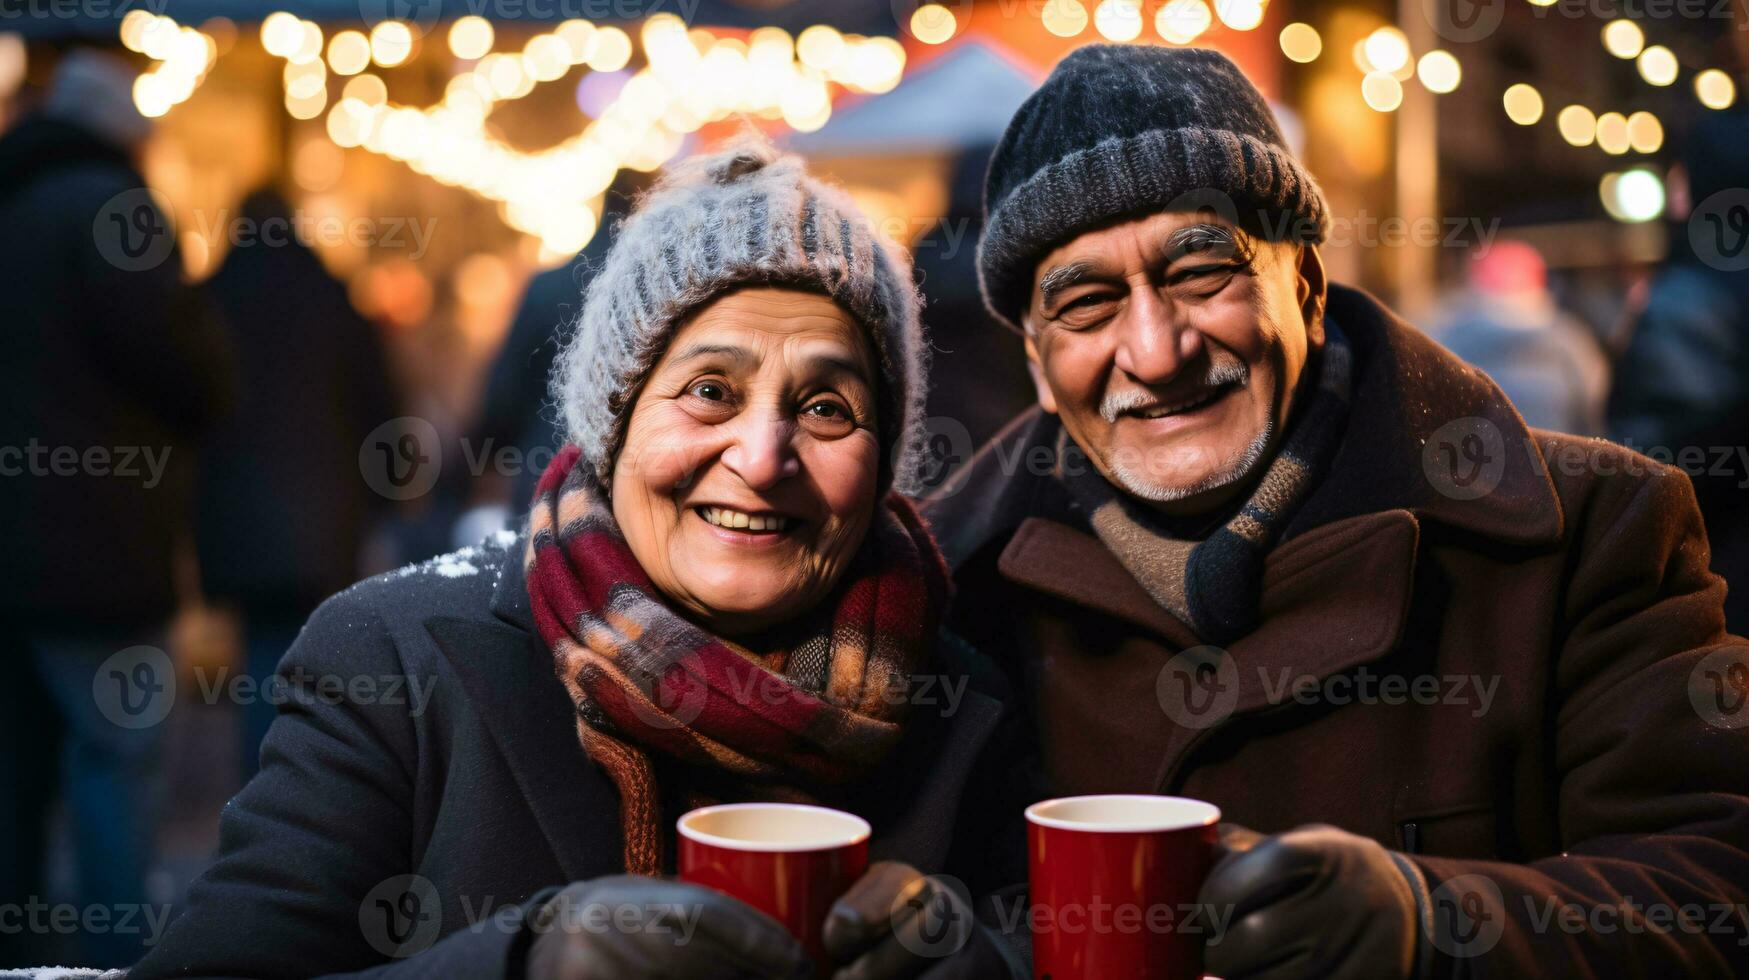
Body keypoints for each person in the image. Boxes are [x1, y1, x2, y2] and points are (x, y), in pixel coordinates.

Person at [929, 45, 1749, 978]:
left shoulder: (1591, 529)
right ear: (1037, 365)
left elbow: (1716, 886)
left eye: (1201, 273)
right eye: (1086, 304)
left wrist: (1428, 927)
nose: (1155, 353)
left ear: (1307, 292)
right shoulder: (946, 597)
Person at [130, 141, 1017, 979]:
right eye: (709, 391)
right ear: (612, 424)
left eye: (826, 407)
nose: (762, 456)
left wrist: (977, 968)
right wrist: (521, 961)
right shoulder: (393, 664)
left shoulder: (961, 699)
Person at [0, 45, 233, 969]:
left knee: (14, 771)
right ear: (125, 132)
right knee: (118, 767)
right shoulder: (111, 210)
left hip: (14, 552)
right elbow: (187, 367)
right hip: (97, 545)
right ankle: (113, 960)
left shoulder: (10, 199)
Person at [194, 187, 399, 781]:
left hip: (235, 518)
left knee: (259, 656)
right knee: (321, 656)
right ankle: (305, 792)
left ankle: (262, 797)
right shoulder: (330, 298)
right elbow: (380, 407)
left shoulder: (211, 299)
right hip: (325, 512)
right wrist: (384, 498)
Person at [1608, 111, 1749, 635]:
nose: (1672, 188)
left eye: (1683, 173)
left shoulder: (1691, 302)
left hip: (1716, 606)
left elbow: (1651, 477)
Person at [1426, 239, 1609, 436]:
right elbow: (1594, 403)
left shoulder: (1447, 335)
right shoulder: (1569, 338)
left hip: (1469, 459)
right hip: (1553, 460)